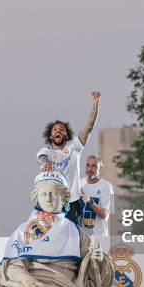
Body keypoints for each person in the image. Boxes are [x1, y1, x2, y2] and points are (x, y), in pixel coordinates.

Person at [37, 91, 101, 222]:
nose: (58, 131)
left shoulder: (74, 148)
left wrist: (95, 104)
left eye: (61, 129)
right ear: (51, 136)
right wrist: (46, 162)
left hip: (72, 201)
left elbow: (88, 127)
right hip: (52, 202)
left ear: (66, 135)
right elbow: (41, 157)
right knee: (52, 237)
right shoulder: (47, 151)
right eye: (55, 130)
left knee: (71, 236)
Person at [79, 155, 113, 236]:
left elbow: (104, 214)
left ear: (101, 168)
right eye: (88, 165)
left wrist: (90, 201)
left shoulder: (107, 186)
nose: (90, 169)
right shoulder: (78, 184)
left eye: (94, 166)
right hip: (80, 238)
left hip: (99, 237)